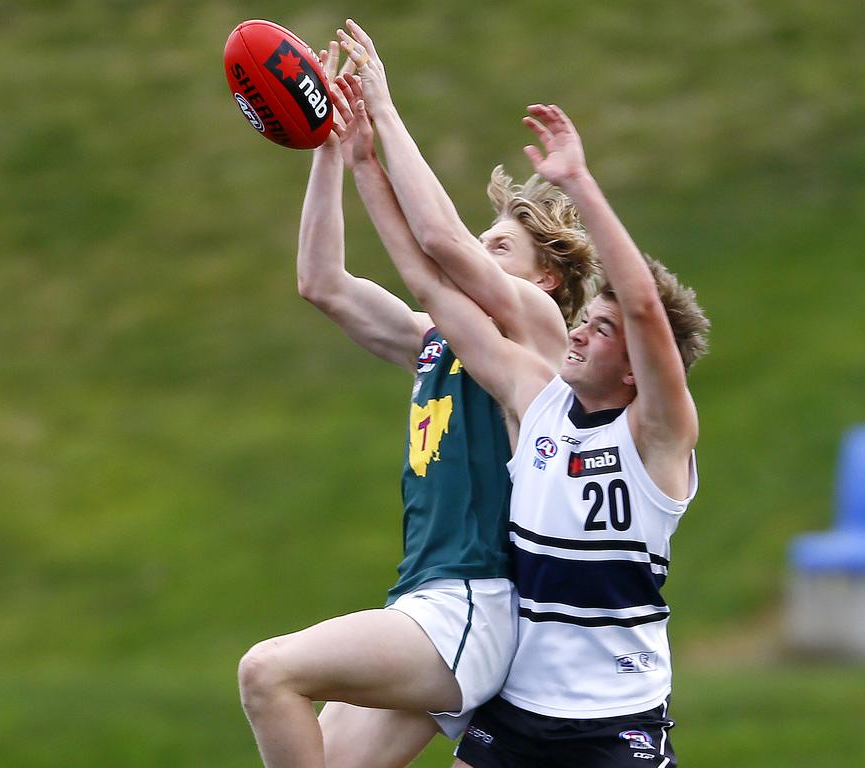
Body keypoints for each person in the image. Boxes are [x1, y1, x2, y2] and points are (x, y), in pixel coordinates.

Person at [335, 25, 709, 767]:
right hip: (519, 711)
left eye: (599, 331)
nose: (579, 333)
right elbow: (425, 278)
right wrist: (364, 163)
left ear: (637, 369)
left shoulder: (657, 438)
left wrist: (579, 184)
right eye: (587, 319)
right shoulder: (533, 402)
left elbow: (639, 304)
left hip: (617, 721)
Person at [237, 37, 598, 768]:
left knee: (267, 672)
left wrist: (382, 108)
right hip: (428, 605)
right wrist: (330, 148)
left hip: (476, 602)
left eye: (499, 245)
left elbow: (436, 241)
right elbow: (323, 284)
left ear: (548, 280)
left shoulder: (537, 332)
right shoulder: (434, 342)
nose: (477, 249)